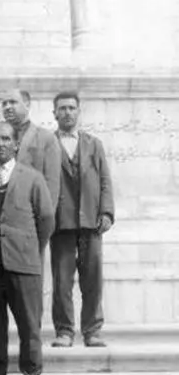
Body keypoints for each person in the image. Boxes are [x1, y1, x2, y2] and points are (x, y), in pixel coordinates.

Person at [0, 121, 54, 375]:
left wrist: (29, 248)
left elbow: (46, 219)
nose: (0, 144)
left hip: (23, 263)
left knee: (29, 326)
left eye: (6, 139)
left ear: (16, 144)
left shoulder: (32, 178)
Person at [51, 92, 115, 348]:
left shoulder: (93, 144)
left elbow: (105, 180)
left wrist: (107, 212)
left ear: (78, 112)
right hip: (60, 223)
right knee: (62, 281)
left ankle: (92, 330)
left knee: (93, 279)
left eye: (71, 108)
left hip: (91, 222)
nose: (67, 112)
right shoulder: (47, 144)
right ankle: (64, 331)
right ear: (54, 113)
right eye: (62, 108)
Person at [0, 89, 61, 209]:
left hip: (28, 214)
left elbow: (52, 185)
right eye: (4, 104)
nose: (7, 107)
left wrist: (45, 217)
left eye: (13, 102)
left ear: (27, 105)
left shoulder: (46, 139)